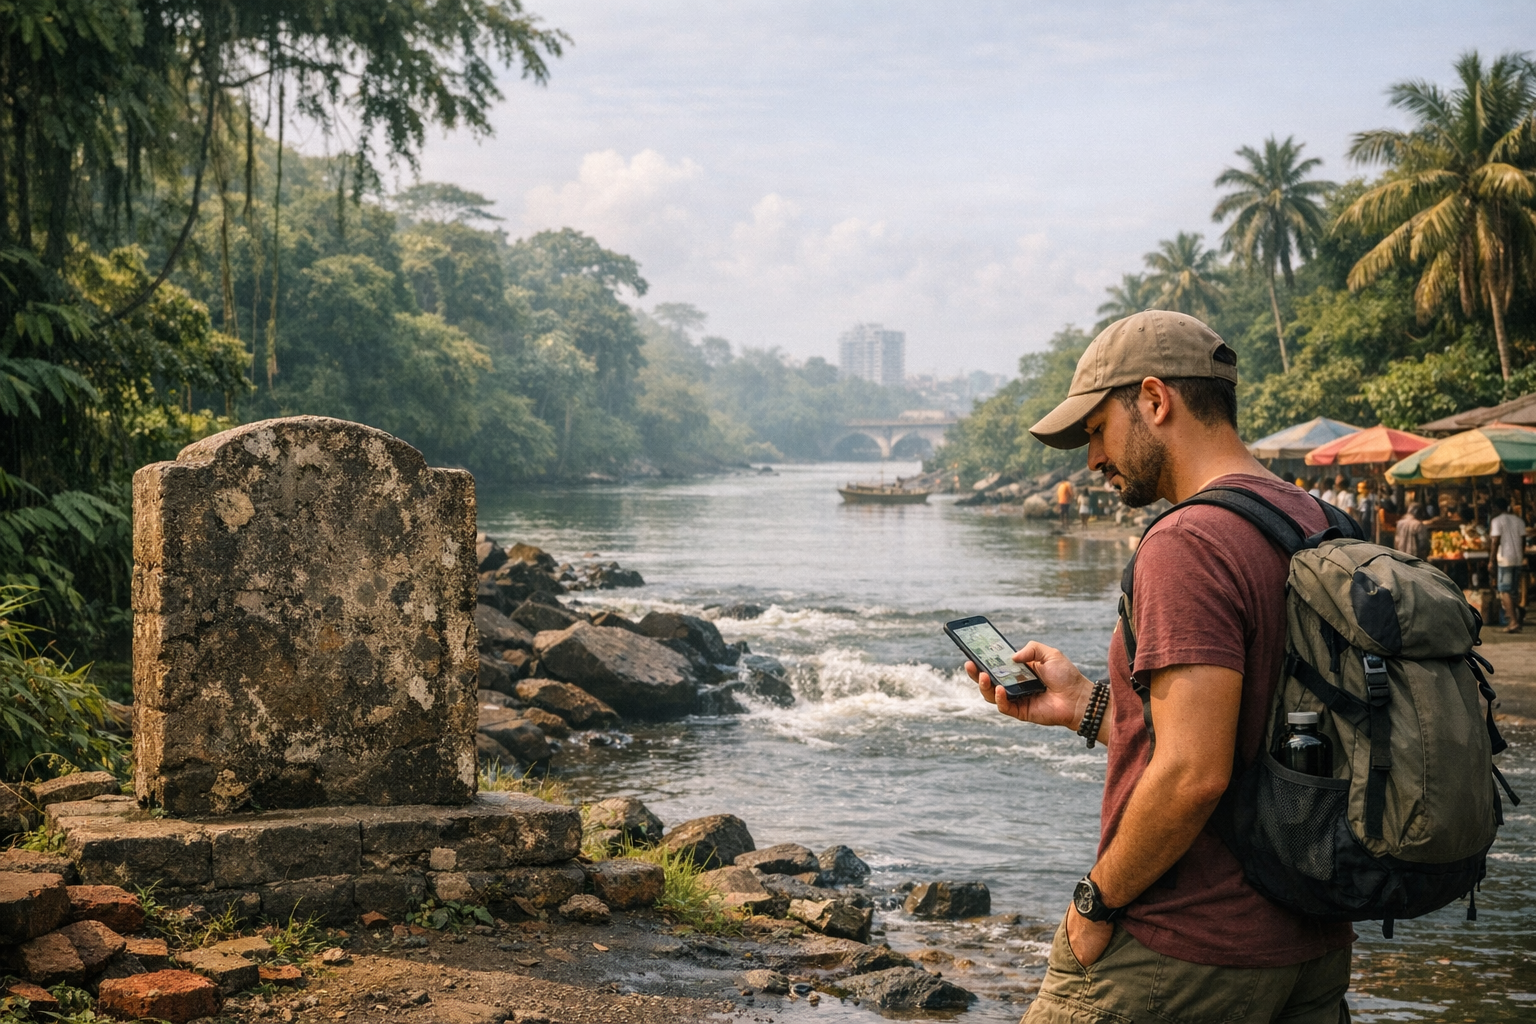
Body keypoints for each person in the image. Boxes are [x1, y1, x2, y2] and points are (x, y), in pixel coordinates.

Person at [968, 310, 1352, 1024]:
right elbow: (1254, 746)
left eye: (1095, 431)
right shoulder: (1316, 521)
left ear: (1154, 400)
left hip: (1182, 946)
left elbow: (1194, 774)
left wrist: (1094, 902)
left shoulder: (1189, 543)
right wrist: (1088, 707)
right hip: (1312, 942)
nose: (1091, 461)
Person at [1489, 498, 1526, 633]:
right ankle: (1516, 616)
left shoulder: (1497, 521)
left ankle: (1513, 621)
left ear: (1497, 508)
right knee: (1514, 591)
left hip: (1505, 559)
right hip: (1517, 559)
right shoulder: (1518, 520)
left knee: (1505, 590)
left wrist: (1491, 560)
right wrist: (1521, 555)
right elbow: (1523, 541)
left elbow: (1495, 541)